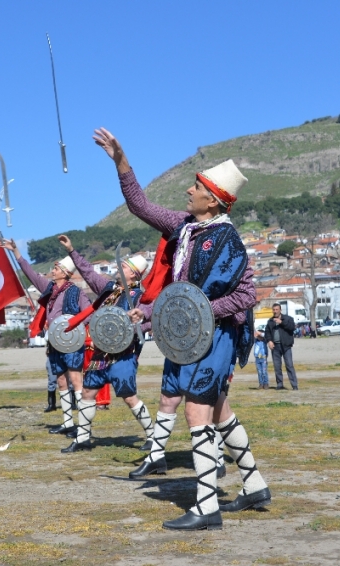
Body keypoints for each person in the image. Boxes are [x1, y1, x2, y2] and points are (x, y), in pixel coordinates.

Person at [94, 128, 268, 531]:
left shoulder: (229, 240)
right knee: (219, 410)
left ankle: (207, 507)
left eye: (195, 186)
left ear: (214, 198)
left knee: (195, 411)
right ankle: (255, 484)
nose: (188, 191)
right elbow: (139, 204)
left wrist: (203, 311)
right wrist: (121, 161)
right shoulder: (185, 227)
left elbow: (246, 295)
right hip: (200, 336)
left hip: (220, 336)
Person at [56, 234, 155, 453]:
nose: (119, 266)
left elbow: (149, 322)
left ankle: (152, 435)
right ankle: (82, 439)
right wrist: (72, 251)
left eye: (125, 266)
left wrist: (136, 327)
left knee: (129, 398)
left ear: (134, 275)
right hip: (101, 354)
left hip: (124, 354)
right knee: (88, 393)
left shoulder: (141, 297)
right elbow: (89, 273)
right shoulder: (109, 289)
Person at [0, 238, 92, 438]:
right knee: (60, 380)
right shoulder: (49, 288)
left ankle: (83, 427)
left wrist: (75, 329)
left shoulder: (77, 292)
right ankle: (68, 422)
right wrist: (16, 251)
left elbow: (88, 314)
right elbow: (30, 274)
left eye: (57, 267)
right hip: (55, 341)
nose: (53, 269)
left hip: (72, 342)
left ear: (66, 273)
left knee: (76, 380)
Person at [265, 304, 299, 390]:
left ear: (280, 310)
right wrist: (269, 341)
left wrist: (282, 322)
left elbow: (292, 328)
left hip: (286, 346)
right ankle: (279, 384)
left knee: (289, 365)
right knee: (277, 366)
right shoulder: (270, 321)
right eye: (274, 310)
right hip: (275, 347)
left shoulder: (288, 319)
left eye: (277, 309)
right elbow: (267, 333)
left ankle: (294, 385)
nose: (275, 311)